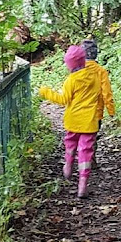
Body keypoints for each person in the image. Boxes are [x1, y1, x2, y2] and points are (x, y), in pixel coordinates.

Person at [38, 45, 101, 198]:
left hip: (73, 121)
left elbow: (63, 99)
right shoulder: (94, 77)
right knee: (85, 151)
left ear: (70, 65)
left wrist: (46, 92)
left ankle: (68, 167)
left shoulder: (71, 80)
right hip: (89, 122)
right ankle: (83, 184)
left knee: (70, 144)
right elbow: (98, 96)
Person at [81, 39, 115, 165]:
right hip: (96, 112)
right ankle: (90, 159)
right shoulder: (101, 71)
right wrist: (111, 110)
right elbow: (107, 93)